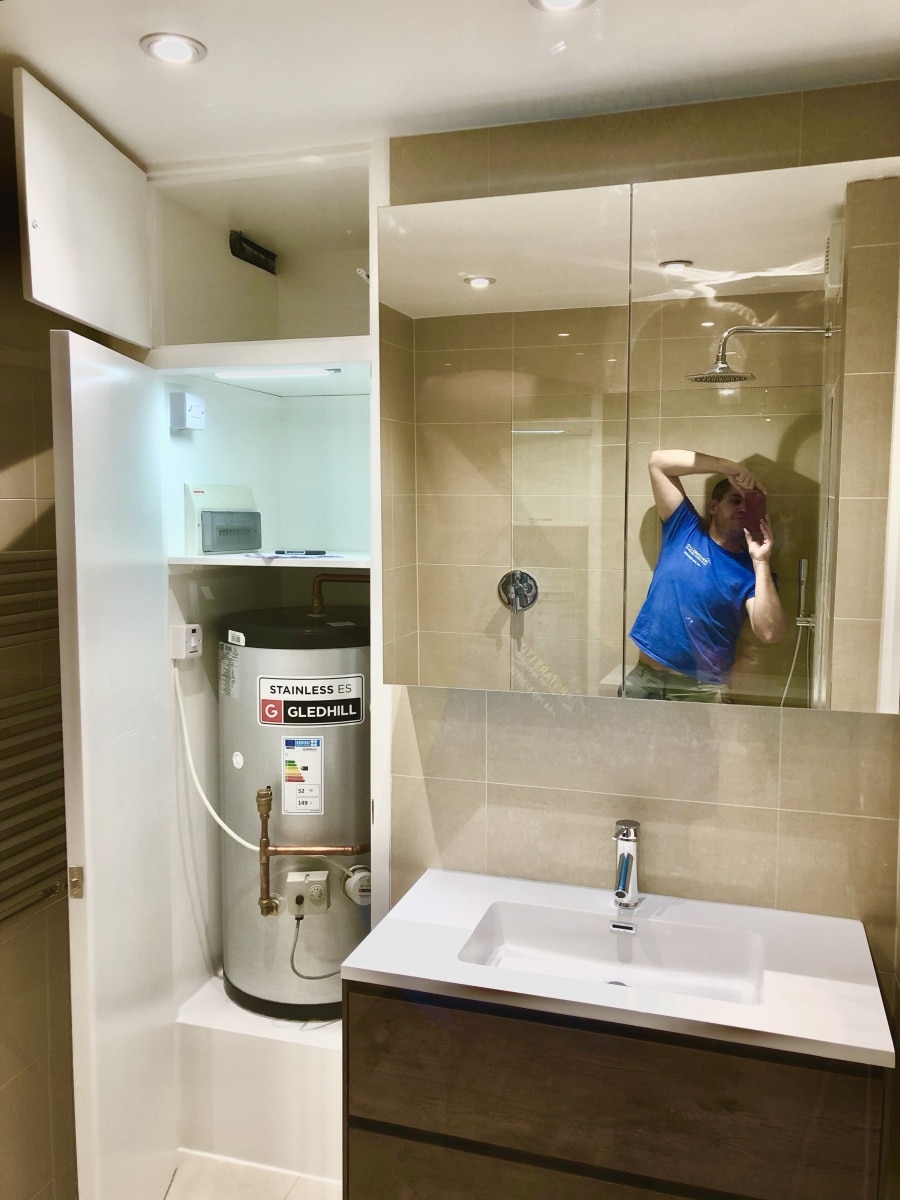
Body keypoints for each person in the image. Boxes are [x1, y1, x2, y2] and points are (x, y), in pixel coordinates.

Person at [624, 449, 787, 702]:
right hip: (646, 677)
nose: (743, 508)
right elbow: (658, 462)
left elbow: (769, 632)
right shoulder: (684, 529)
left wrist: (761, 561)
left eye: (750, 504)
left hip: (700, 690)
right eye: (735, 500)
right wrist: (726, 466)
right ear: (713, 506)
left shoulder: (752, 570)